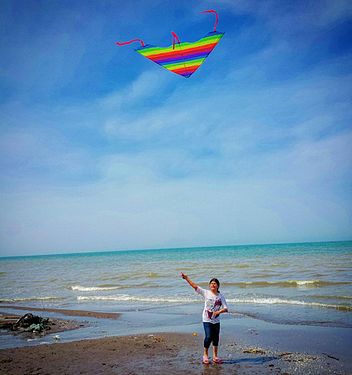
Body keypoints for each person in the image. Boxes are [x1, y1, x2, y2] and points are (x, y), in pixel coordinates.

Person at [180, 272, 228, 364]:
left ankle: (215, 356)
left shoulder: (221, 296)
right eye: (211, 283)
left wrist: (218, 312)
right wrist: (186, 278)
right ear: (209, 285)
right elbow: (194, 286)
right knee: (208, 336)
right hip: (206, 319)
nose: (213, 285)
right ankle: (205, 355)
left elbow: (226, 309)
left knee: (216, 338)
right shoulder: (206, 293)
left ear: (218, 286)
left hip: (216, 320)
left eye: (215, 283)